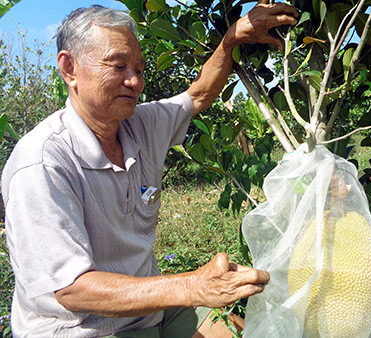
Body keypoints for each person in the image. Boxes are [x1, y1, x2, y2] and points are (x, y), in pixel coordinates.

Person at [1, 2, 298, 337]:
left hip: (151, 307)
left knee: (233, 331)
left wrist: (230, 41)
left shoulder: (139, 125)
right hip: (82, 327)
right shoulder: (42, 162)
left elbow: (198, 95)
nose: (134, 82)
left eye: (140, 70)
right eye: (118, 66)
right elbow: (72, 289)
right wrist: (190, 286)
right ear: (69, 69)